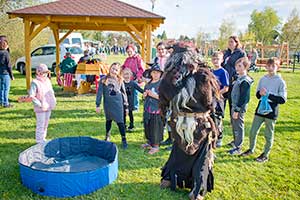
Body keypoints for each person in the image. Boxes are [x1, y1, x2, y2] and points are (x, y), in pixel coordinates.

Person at [159, 43, 220, 200]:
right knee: (202, 158)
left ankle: (168, 179)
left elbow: (163, 100)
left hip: (179, 124)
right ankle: (197, 190)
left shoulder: (168, 77)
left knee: (178, 153)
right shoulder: (204, 76)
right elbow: (210, 103)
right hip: (200, 125)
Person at [240, 58, 287, 162]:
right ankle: (251, 149)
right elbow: (257, 95)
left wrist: (269, 95)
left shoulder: (280, 82)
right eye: (268, 66)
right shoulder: (263, 79)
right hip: (260, 108)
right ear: (266, 67)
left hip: (272, 110)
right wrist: (260, 93)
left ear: (277, 67)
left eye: (273, 66)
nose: (270, 68)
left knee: (268, 134)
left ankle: (265, 154)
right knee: (253, 132)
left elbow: (282, 99)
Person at [96, 62, 128, 149]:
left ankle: (124, 138)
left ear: (119, 72)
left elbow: (124, 93)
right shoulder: (104, 79)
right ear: (110, 68)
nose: (114, 71)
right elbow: (99, 93)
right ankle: (107, 136)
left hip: (118, 104)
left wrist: (126, 106)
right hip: (108, 104)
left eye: (116, 70)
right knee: (108, 120)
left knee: (120, 122)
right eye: (112, 68)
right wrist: (97, 105)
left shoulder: (120, 80)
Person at [228, 57, 253, 155]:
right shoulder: (238, 78)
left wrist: (237, 110)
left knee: (238, 126)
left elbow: (244, 98)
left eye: (239, 66)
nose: (237, 68)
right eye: (236, 66)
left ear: (246, 67)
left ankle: (238, 147)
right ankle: (235, 142)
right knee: (234, 125)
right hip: (234, 106)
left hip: (239, 108)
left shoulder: (245, 81)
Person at [29, 64, 56, 143]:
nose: (45, 74)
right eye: (43, 72)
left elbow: (51, 92)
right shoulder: (35, 83)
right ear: (38, 72)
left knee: (46, 124)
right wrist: (39, 104)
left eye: (46, 72)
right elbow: (32, 96)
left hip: (48, 105)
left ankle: (43, 139)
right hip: (40, 107)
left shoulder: (47, 81)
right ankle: (39, 140)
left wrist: (53, 100)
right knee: (40, 124)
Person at [141, 63, 164, 155]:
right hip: (148, 109)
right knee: (148, 126)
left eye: (157, 73)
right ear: (150, 74)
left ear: (160, 74)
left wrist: (154, 95)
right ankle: (149, 142)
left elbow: (164, 98)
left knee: (156, 128)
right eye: (153, 72)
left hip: (157, 110)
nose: (155, 74)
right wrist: (144, 95)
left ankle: (156, 145)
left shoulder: (161, 84)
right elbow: (144, 96)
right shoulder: (148, 84)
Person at [222, 36, 246, 111]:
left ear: (236, 43)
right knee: (222, 100)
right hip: (224, 79)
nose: (230, 43)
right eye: (229, 42)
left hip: (233, 79)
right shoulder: (226, 53)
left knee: (232, 101)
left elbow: (244, 65)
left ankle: (233, 119)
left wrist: (237, 76)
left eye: (232, 42)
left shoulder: (240, 53)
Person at [211, 51, 229, 147]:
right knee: (211, 117)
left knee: (218, 118)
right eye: (214, 59)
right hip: (210, 98)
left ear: (222, 60)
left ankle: (219, 138)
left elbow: (226, 88)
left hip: (218, 99)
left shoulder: (223, 72)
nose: (215, 61)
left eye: (217, 59)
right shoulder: (211, 72)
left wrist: (216, 93)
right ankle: (212, 136)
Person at [122, 44, 144, 110]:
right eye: (128, 52)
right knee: (129, 93)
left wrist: (138, 77)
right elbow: (124, 66)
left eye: (130, 51)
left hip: (135, 79)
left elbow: (141, 68)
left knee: (135, 93)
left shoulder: (138, 58)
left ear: (134, 50)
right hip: (128, 79)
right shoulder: (127, 59)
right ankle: (130, 106)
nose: (129, 53)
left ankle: (135, 107)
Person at [0, 35, 14, 108]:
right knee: (6, 88)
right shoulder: (6, 53)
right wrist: (12, 76)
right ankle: (6, 103)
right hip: (5, 74)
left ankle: (1, 102)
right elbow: (9, 65)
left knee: (1, 88)